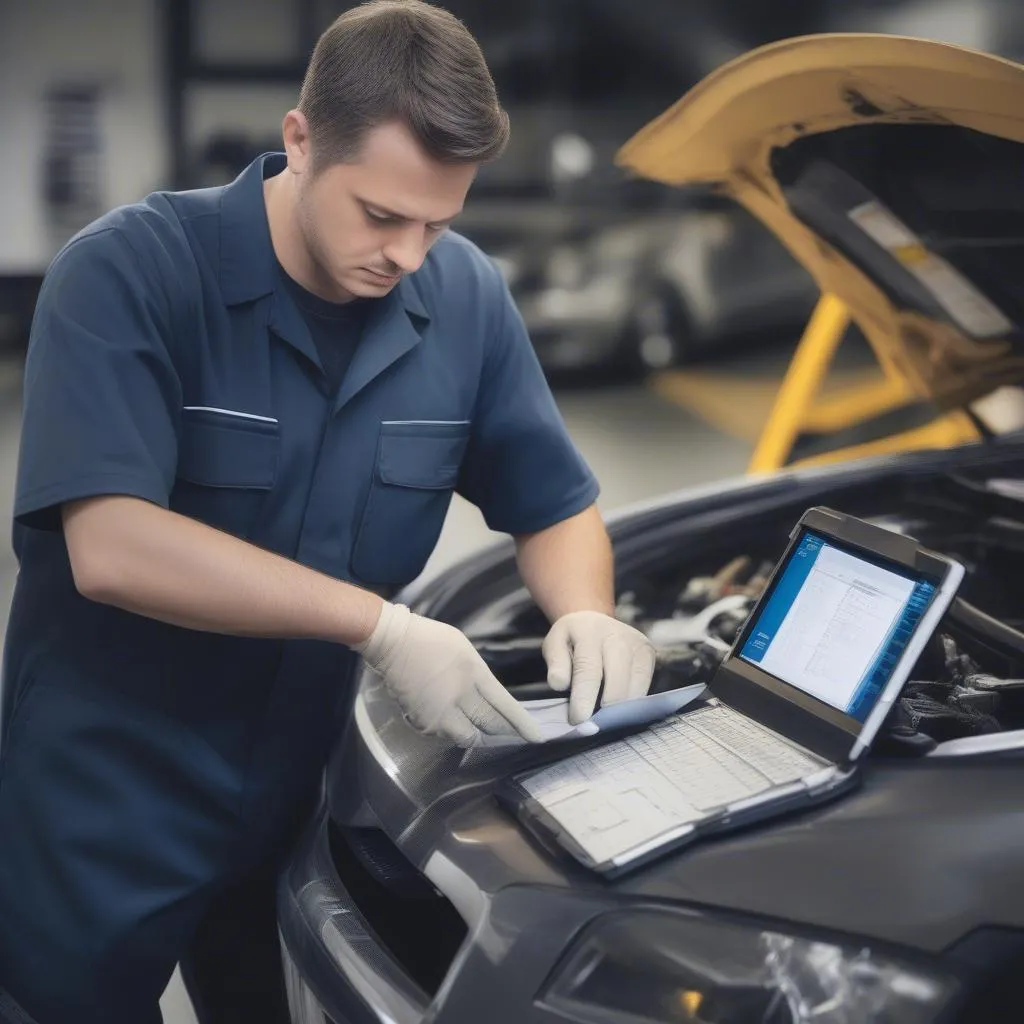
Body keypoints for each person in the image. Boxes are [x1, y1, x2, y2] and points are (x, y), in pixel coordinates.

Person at [0, 2, 656, 1021]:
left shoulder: (465, 297)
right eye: (380, 215)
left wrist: (585, 610)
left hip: (301, 800)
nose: (405, 253)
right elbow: (113, 546)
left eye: (438, 222)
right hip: (104, 800)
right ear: (298, 140)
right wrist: (380, 626)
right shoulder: (129, 273)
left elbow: (555, 505)